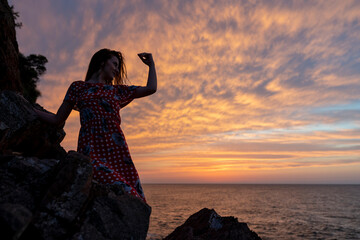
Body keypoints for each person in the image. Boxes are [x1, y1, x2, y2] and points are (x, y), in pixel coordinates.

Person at [34, 48, 157, 202]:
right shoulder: (77, 87)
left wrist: (151, 65)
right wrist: (30, 110)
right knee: (119, 189)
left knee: (136, 200)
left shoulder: (116, 91)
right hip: (90, 151)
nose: (117, 70)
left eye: (118, 66)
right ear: (102, 62)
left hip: (118, 154)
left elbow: (151, 88)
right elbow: (58, 119)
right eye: (115, 64)